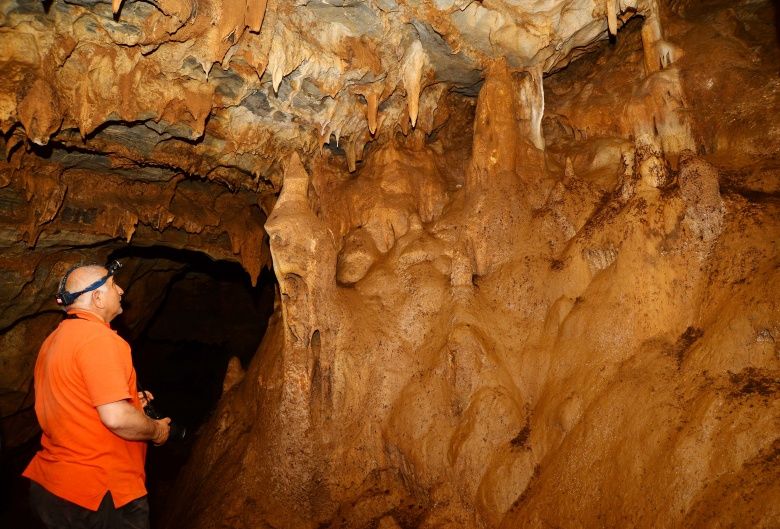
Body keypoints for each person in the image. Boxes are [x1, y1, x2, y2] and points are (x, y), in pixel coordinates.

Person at [22, 261, 171, 529]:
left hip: (52, 489)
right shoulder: (100, 339)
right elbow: (115, 417)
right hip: (99, 493)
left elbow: (74, 401)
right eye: (114, 285)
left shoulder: (53, 341)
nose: (122, 290)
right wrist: (157, 431)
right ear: (97, 297)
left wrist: (133, 402)